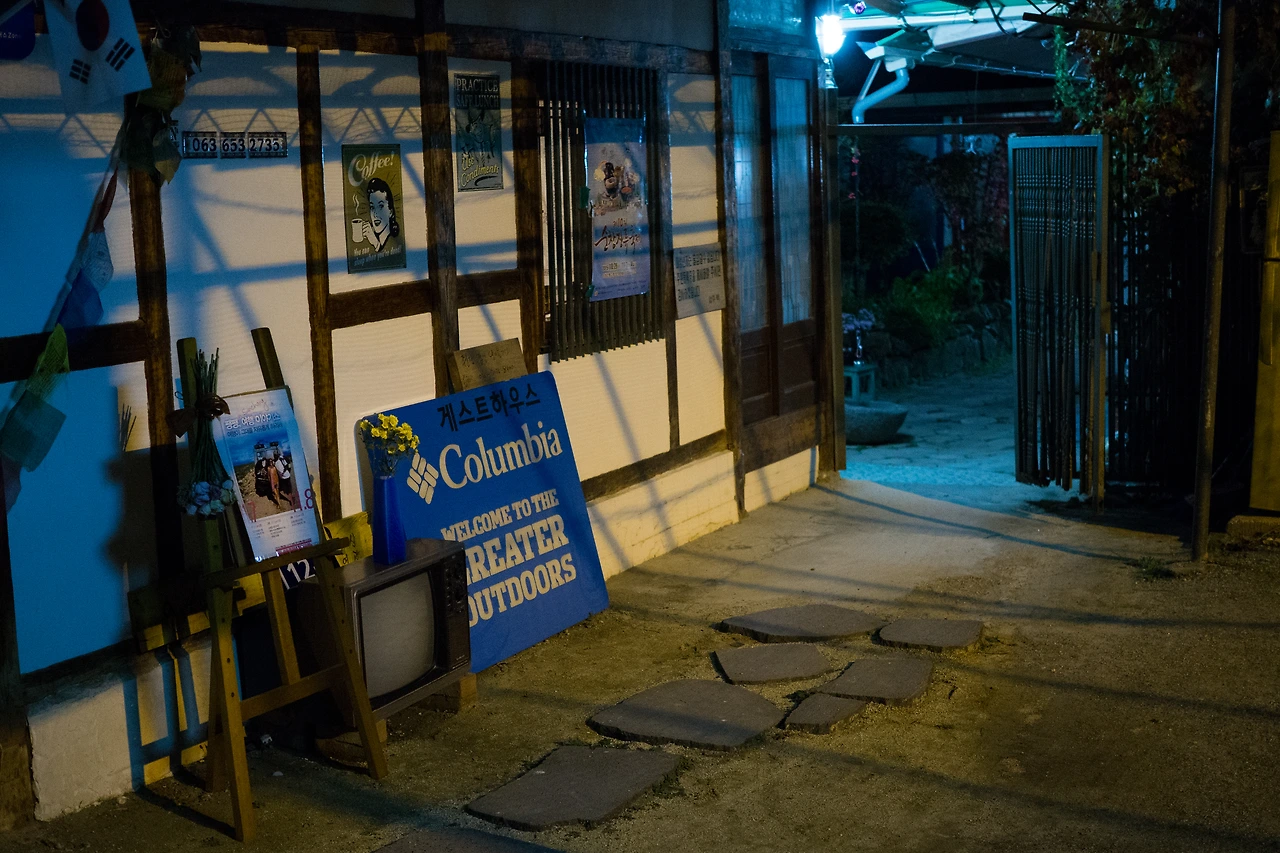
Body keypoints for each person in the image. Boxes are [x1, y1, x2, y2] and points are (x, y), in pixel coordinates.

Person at [361, 177, 400, 252]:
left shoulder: (393, 241)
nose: (375, 214)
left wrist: (376, 243)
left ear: (390, 212)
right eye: (372, 207)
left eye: (381, 206)